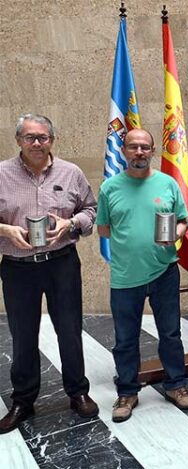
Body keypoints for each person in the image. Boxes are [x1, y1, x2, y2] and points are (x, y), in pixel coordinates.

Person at [0, 114, 98, 433]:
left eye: (43, 137)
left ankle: (78, 391)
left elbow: (90, 211)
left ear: (52, 140)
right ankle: (23, 401)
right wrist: (5, 230)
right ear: (18, 141)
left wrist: (71, 224)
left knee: (69, 330)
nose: (37, 143)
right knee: (23, 335)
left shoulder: (71, 173)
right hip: (18, 268)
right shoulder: (1, 174)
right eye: (30, 138)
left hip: (61, 263)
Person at [96, 128, 188, 422]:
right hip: (125, 277)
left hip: (164, 271)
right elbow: (103, 228)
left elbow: (182, 222)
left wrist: (174, 236)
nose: (139, 152)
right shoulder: (109, 188)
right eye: (133, 147)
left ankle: (176, 385)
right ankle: (127, 391)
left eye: (145, 147)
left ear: (153, 151)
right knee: (125, 339)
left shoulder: (167, 184)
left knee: (171, 333)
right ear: (124, 151)